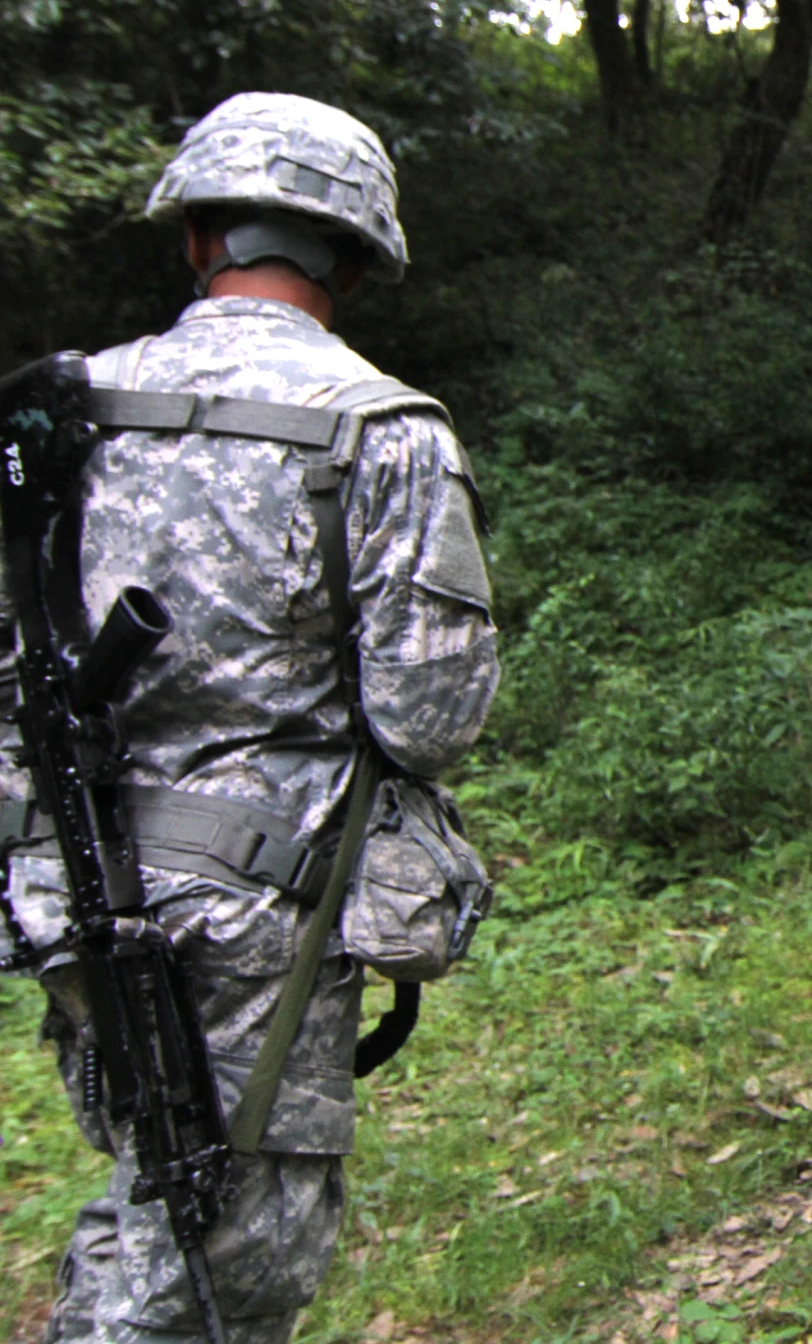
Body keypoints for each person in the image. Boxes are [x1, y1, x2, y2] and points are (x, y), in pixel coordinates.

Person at [1, 92, 498, 1343]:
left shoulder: (64, 407)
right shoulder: (381, 430)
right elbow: (429, 714)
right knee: (229, 1260)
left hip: (69, 874)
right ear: (359, 256)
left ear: (196, 237)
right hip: (254, 906)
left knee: (155, 1195)